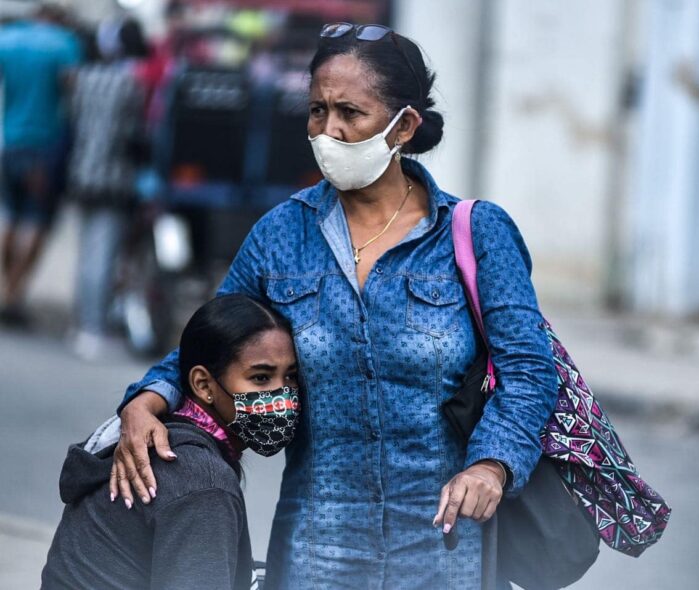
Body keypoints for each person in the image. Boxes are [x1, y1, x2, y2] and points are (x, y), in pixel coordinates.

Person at [113, 22, 559, 589]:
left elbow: (528, 368)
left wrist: (493, 465)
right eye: (318, 111)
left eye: (351, 112)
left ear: (405, 126)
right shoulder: (283, 233)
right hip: (316, 547)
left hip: (447, 542)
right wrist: (145, 401)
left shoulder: (475, 233)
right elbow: (212, 342)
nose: (329, 131)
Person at [41, 294, 300, 589]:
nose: (282, 396)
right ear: (203, 385)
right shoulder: (203, 480)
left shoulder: (177, 436)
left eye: (290, 376)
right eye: (261, 378)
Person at [67, 17, 149, 359]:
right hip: (114, 179)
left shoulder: (84, 78)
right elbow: (134, 135)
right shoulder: (132, 83)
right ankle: (92, 329)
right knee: (102, 256)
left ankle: (80, 323)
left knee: (85, 253)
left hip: (81, 172)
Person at [0, 5, 82, 325]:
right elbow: (71, 92)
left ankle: (6, 288)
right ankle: (14, 293)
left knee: (9, 215)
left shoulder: (8, 38)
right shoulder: (64, 44)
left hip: (10, 141)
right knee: (35, 220)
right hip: (45, 146)